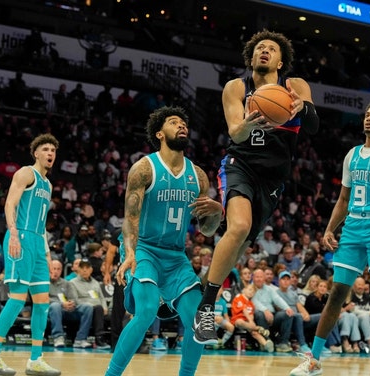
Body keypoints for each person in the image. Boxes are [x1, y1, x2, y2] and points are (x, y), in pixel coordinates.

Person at [194, 29, 319, 344]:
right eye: (259, 48)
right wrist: (247, 124)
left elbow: (314, 126)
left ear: (281, 60)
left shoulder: (295, 86)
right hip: (242, 165)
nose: (265, 51)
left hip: (273, 178)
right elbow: (235, 134)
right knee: (238, 227)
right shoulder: (236, 87)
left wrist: (301, 108)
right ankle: (205, 308)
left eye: (272, 48)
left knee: (240, 244)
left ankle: (209, 266)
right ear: (251, 57)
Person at [290, 100, 370, 376]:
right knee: (336, 294)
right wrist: (329, 228)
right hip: (352, 229)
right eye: (367, 115)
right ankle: (314, 360)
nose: (368, 119)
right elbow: (344, 198)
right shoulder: (352, 155)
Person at [105, 106, 222, 376]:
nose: (181, 126)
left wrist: (218, 211)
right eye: (173, 122)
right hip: (144, 249)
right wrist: (130, 253)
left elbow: (206, 229)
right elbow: (130, 218)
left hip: (176, 255)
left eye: (183, 123)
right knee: (145, 310)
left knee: (198, 319)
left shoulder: (199, 176)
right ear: (159, 133)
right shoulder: (144, 168)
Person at [0, 133, 61, 376]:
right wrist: (13, 233)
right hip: (21, 237)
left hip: (37, 243)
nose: (50, 154)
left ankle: (35, 359)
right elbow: (10, 204)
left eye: (53, 151)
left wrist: (45, 251)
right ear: (36, 153)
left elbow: (43, 222)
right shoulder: (26, 173)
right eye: (45, 149)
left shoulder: (48, 185)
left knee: (43, 303)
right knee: (17, 298)